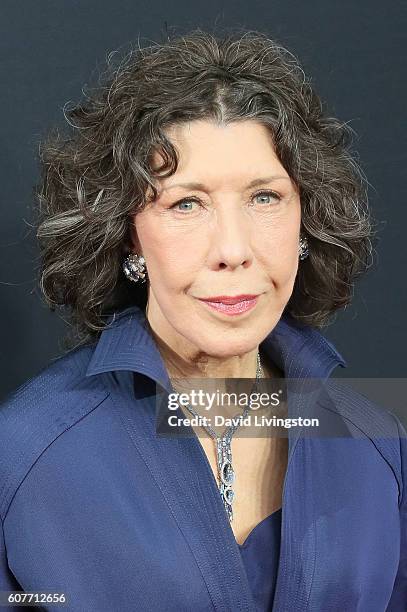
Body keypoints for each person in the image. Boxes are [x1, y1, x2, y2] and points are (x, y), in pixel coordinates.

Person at [0, 28, 405, 612]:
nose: (233, 249)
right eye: (186, 203)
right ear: (128, 235)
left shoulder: (379, 445)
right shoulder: (25, 453)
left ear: (305, 222)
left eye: (265, 197)